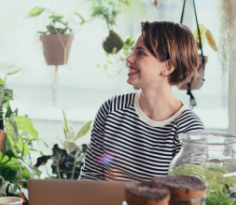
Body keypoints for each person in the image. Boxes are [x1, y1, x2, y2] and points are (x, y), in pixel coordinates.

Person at [80, 21, 205, 182]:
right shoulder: (111, 109)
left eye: (140, 53)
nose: (129, 58)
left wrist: (129, 182)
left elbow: (185, 198)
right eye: (133, 51)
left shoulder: (189, 128)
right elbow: (90, 177)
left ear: (167, 66)